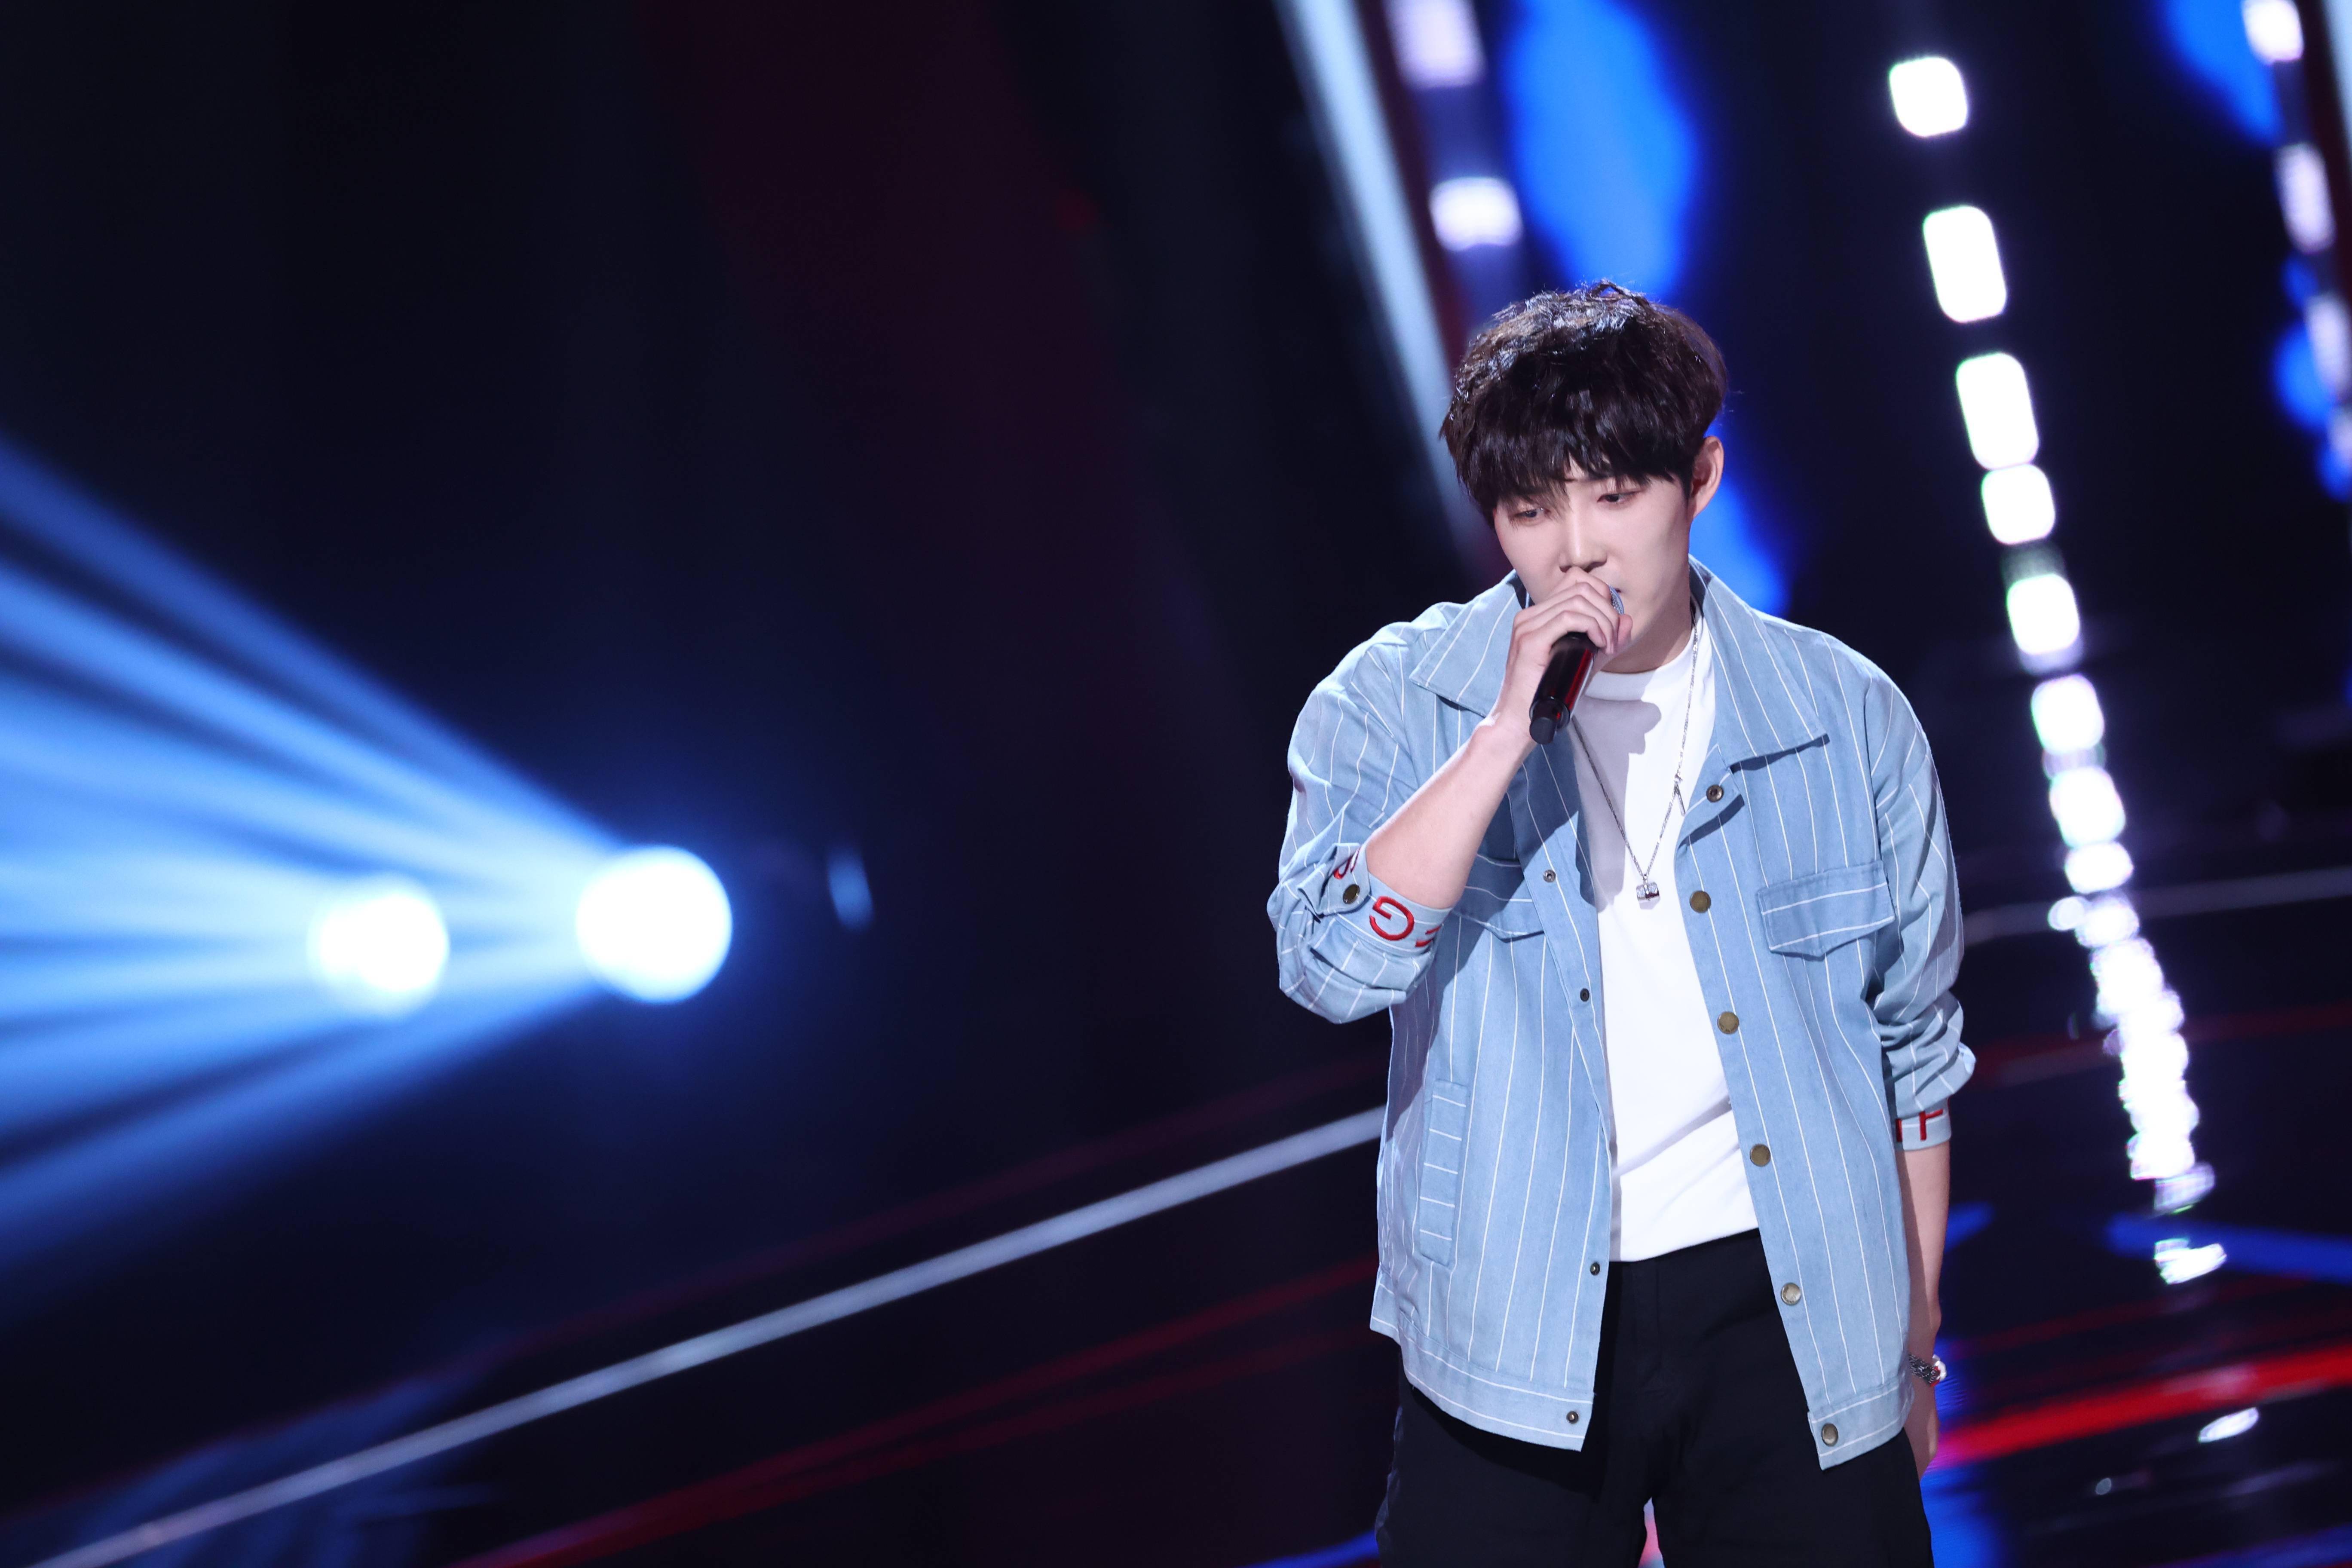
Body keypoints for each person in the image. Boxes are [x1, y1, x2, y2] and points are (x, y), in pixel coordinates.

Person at [1268, 283, 1970, 1566]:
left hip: (1792, 1304)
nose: (1577, 552)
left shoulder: (1842, 713)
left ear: (1700, 479)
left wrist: (1911, 1353)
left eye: (1615, 495)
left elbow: (1913, 1055)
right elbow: (1328, 967)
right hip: (1511, 1315)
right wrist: (1501, 737)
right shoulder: (1393, 702)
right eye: (1531, 511)